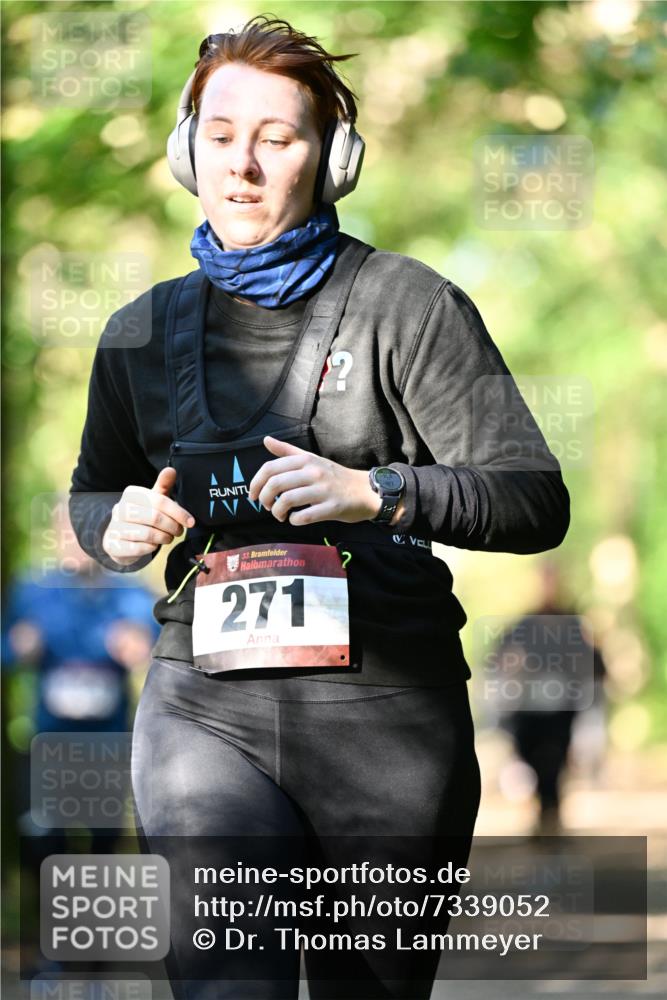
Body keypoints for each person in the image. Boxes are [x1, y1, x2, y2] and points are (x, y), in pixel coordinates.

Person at [69, 15, 570, 1000]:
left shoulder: (411, 307)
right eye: (218, 136)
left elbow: (532, 498)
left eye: (277, 138)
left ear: (332, 159)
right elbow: (94, 490)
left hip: (386, 712)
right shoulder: (137, 333)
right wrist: (110, 528)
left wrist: (375, 491)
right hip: (202, 707)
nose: (241, 167)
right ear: (185, 152)